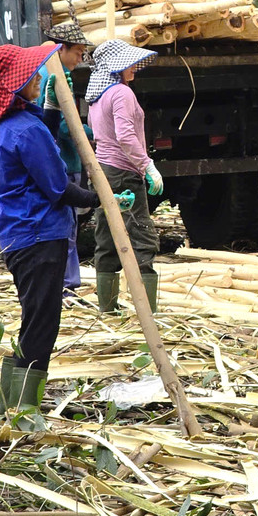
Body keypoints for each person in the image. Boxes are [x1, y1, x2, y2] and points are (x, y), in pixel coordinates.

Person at [0, 43, 129, 418]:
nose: (36, 77)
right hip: (40, 234)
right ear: (18, 83)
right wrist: (101, 199)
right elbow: (59, 188)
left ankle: (8, 405)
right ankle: (24, 411)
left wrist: (49, 109)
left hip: (18, 233)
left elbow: (34, 144)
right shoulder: (25, 129)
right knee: (42, 324)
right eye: (30, 75)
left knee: (34, 318)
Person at [86, 40, 163, 314]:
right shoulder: (121, 93)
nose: (133, 68)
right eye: (127, 63)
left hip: (103, 173)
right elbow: (125, 136)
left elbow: (97, 132)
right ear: (115, 67)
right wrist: (147, 166)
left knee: (106, 239)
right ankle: (148, 315)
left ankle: (107, 311)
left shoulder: (97, 95)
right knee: (142, 236)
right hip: (124, 174)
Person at [38, 22, 93, 295]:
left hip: (63, 161)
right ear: (61, 49)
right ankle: (66, 288)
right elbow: (60, 124)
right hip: (61, 162)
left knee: (67, 227)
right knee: (65, 228)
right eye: (78, 52)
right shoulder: (49, 78)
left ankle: (66, 286)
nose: (80, 58)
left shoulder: (54, 74)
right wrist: (88, 133)